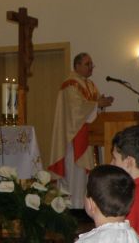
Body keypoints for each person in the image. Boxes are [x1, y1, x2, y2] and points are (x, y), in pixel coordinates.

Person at [48, 52, 114, 209]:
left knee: (86, 177)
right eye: (87, 64)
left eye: (91, 64)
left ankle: (86, 207)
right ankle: (72, 207)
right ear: (77, 66)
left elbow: (92, 108)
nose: (91, 67)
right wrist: (97, 104)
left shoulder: (90, 84)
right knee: (75, 175)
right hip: (74, 138)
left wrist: (101, 104)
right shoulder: (70, 84)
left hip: (90, 137)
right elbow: (76, 110)